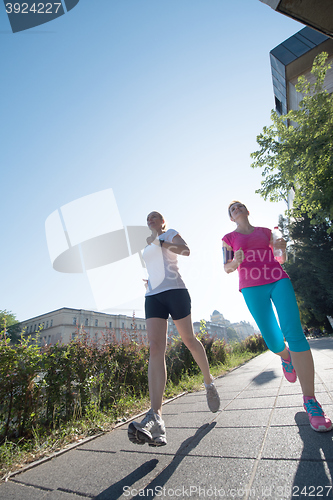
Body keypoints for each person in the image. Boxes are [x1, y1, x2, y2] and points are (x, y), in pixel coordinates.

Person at [222, 201, 332, 433]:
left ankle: (311, 401)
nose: (237, 209)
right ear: (231, 218)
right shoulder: (228, 239)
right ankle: (285, 357)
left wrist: (280, 247)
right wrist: (236, 261)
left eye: (240, 206)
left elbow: (281, 258)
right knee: (273, 342)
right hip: (251, 287)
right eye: (233, 209)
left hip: (277, 278)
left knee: (294, 333)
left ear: (247, 210)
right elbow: (227, 267)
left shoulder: (265, 232)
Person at [128, 211, 220, 446]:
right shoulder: (147, 245)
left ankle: (208, 383)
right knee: (156, 348)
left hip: (176, 291)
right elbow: (155, 266)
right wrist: (150, 281)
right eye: (148, 217)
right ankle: (156, 417)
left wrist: (162, 241)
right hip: (153, 296)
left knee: (189, 339)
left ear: (162, 221)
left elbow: (186, 251)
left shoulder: (169, 234)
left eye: (155, 216)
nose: (150, 219)